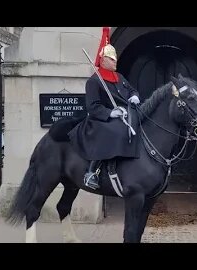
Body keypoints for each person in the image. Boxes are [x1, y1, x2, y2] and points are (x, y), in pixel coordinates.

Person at [76, 27, 141, 190]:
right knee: (113, 131)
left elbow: (131, 89)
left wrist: (135, 96)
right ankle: (92, 172)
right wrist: (111, 112)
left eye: (115, 58)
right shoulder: (94, 81)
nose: (115, 61)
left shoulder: (119, 77)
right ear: (103, 60)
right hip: (101, 119)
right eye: (112, 59)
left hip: (126, 114)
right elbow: (93, 107)